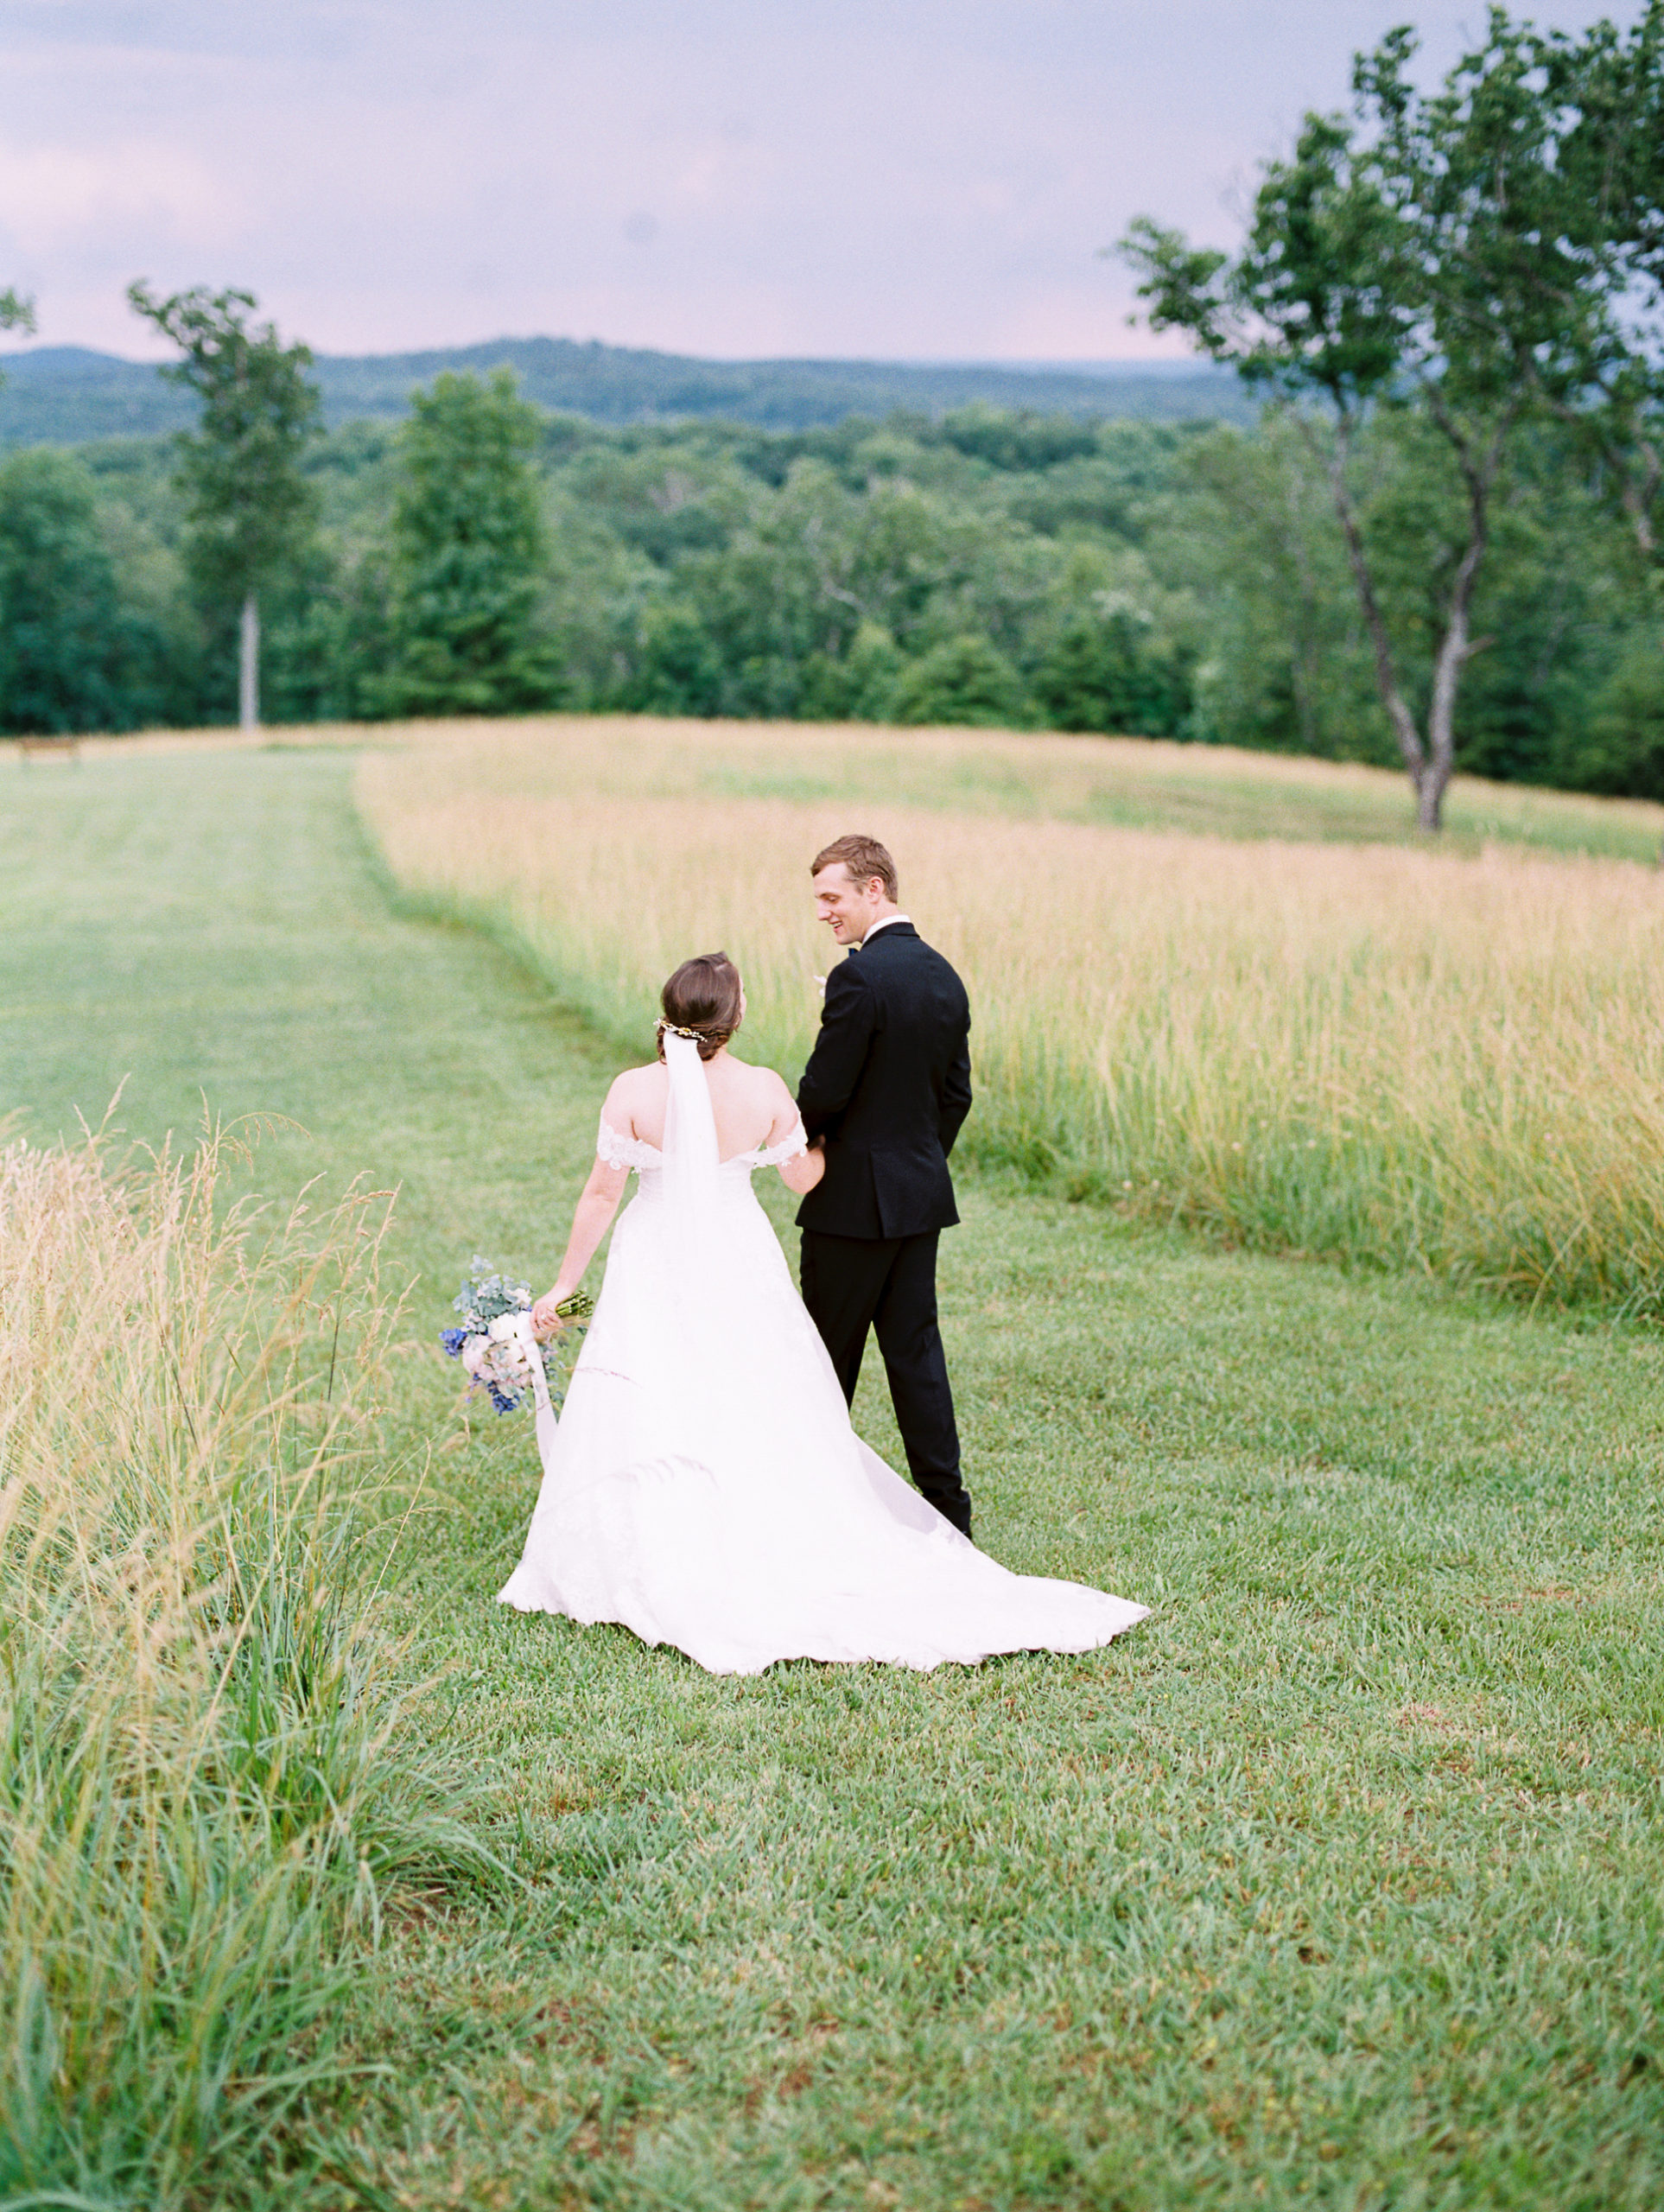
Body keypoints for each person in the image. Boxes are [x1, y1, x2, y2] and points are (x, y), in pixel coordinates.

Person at [497, 948, 1146, 1675]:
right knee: (747, 1383)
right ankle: (756, 1519)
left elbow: (600, 1196)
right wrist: (836, 1136)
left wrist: (564, 1285)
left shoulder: (631, 1090)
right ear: (735, 1018)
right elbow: (805, 1179)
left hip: (652, 1254)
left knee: (655, 1377)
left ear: (670, 1014)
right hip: (738, 1254)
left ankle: (651, 1536)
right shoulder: (766, 1089)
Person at [796, 834, 974, 1537]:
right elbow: (956, 1095)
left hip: (849, 1206)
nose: (821, 912)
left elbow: (825, 1089)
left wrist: (800, 1142)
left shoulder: (859, 977)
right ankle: (948, 1513)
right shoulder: (943, 974)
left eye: (832, 897)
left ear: (876, 890)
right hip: (919, 1197)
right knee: (916, 1356)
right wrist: (919, 1163)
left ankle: (814, 1509)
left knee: (823, 1358)